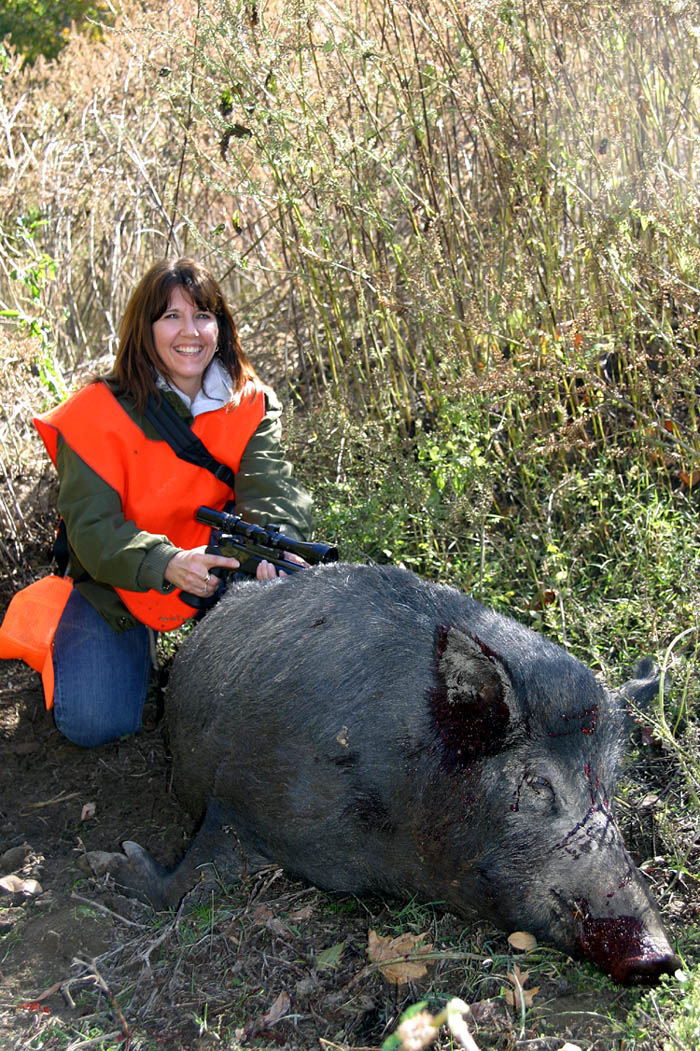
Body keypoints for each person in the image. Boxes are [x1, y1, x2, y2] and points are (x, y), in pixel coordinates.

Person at [31, 257, 313, 748]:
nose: (191, 332)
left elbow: (273, 493)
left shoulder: (250, 404)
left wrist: (281, 548)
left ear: (220, 327)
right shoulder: (92, 415)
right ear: (146, 329)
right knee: (94, 725)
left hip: (214, 572)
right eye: (171, 317)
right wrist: (167, 562)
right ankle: (64, 623)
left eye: (203, 315)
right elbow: (94, 533)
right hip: (116, 583)